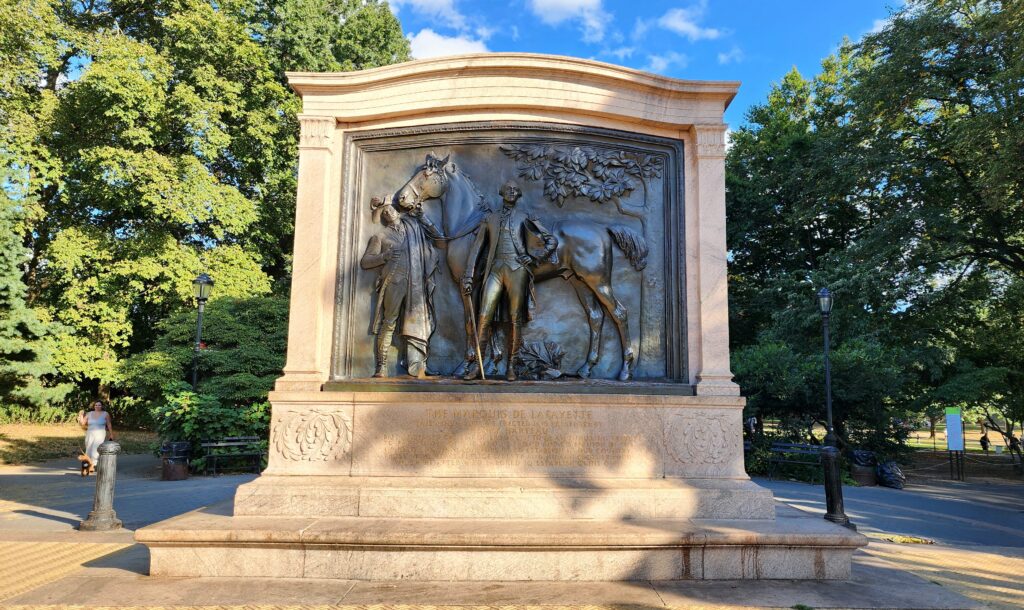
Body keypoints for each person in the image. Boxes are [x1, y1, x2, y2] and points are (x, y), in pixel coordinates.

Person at [461, 180, 557, 381]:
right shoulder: (490, 218)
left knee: (515, 318)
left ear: (519, 194)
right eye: (508, 189)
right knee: (484, 316)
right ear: (501, 192)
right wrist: (469, 276)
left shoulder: (525, 217)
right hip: (495, 270)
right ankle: (478, 367)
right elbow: (476, 248)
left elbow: (551, 240)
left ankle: (511, 367)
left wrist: (534, 257)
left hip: (517, 270)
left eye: (515, 190)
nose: (511, 192)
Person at [360, 196, 445, 378]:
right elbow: (366, 262)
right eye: (384, 212)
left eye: (390, 209)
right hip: (394, 282)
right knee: (389, 322)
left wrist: (423, 217)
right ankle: (381, 367)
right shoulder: (380, 236)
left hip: (416, 283)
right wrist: (384, 256)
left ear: (397, 211)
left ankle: (419, 365)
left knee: (419, 320)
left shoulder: (414, 228)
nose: (388, 212)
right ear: (383, 217)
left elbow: (439, 239)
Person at [77, 400, 114, 474]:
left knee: (95, 449)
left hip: (100, 433)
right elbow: (83, 423)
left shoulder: (105, 414)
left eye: (99, 405)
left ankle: (93, 465)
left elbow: (109, 424)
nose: (97, 406)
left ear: (102, 406)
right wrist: (81, 416)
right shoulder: (89, 414)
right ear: (94, 406)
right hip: (90, 433)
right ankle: (87, 464)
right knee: (89, 449)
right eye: (96, 405)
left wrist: (111, 434)